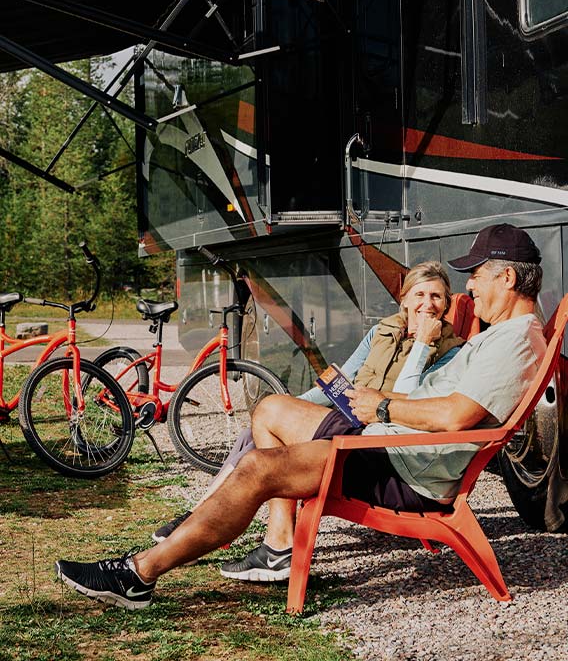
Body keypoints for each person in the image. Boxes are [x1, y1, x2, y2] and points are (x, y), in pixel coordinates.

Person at [55, 224, 546, 611]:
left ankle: (138, 574)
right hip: (387, 441)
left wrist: (382, 405)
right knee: (270, 409)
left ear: (506, 276)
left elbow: (460, 415)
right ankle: (279, 546)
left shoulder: (515, 339)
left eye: (476, 275)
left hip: (396, 463)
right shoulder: (504, 334)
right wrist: (374, 407)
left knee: (257, 469)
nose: (470, 286)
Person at [153, 261, 464, 582]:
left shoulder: (450, 352)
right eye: (420, 294)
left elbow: (401, 402)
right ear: (405, 300)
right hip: (351, 421)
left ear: (447, 305)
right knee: (256, 429)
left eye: (437, 297)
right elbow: (343, 378)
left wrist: (423, 344)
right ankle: (205, 518)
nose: (428, 304)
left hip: (379, 440)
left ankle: (224, 530)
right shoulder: (381, 331)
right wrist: (293, 407)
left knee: (268, 431)